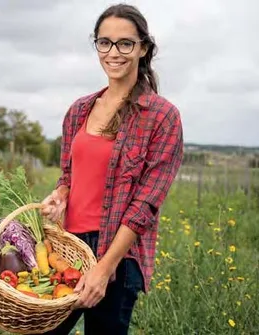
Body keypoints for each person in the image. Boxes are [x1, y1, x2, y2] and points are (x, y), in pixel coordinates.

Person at [40, 3, 183, 335]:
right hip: (68, 248)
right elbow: (69, 176)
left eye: (125, 43)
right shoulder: (79, 110)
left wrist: (104, 268)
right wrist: (60, 195)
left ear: (143, 48)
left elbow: (145, 205)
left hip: (118, 255)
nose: (113, 52)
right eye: (104, 42)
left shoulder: (162, 117)